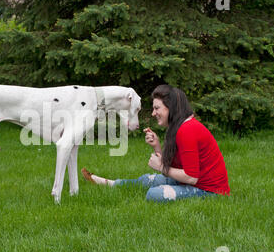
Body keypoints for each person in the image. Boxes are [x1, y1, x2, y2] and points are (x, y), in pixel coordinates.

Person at [81, 84, 230, 202]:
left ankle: (111, 184)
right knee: (148, 179)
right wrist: (157, 146)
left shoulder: (187, 129)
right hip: (192, 182)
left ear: (171, 107)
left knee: (155, 194)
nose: (153, 113)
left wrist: (161, 167)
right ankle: (109, 184)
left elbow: (191, 177)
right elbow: (176, 165)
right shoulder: (180, 127)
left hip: (210, 192)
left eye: (157, 108)